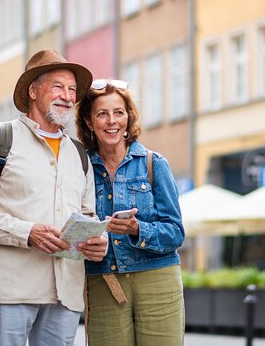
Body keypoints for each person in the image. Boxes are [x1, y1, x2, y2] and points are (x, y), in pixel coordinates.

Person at [0, 49, 109, 346]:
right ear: (33, 91)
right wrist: (28, 232)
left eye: (72, 90)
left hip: (65, 289)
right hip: (10, 287)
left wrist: (94, 241)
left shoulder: (79, 154)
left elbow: (87, 214)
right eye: (58, 87)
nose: (67, 96)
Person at [75, 78, 186, 345]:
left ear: (128, 118)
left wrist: (138, 229)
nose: (112, 121)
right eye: (102, 114)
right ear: (90, 122)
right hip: (103, 280)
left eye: (118, 112)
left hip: (157, 277)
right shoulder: (80, 169)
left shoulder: (153, 164)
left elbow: (176, 233)